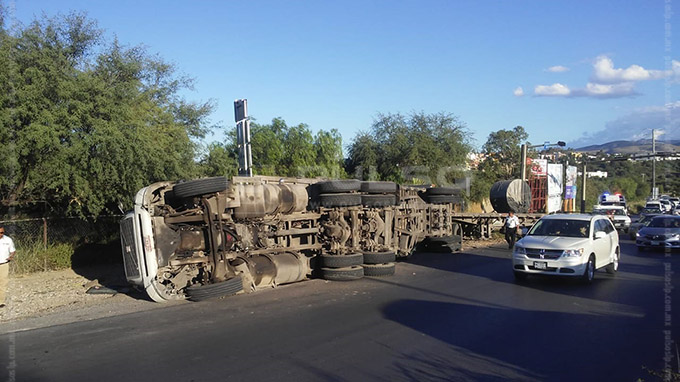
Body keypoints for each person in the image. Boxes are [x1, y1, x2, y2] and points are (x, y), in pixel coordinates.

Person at [0, 225, 16, 308]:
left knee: (3, 283)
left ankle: (1, 302)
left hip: (4, 264)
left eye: (2, 232)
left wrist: (11, 256)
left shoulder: (8, 240)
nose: (0, 234)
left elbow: (13, 250)